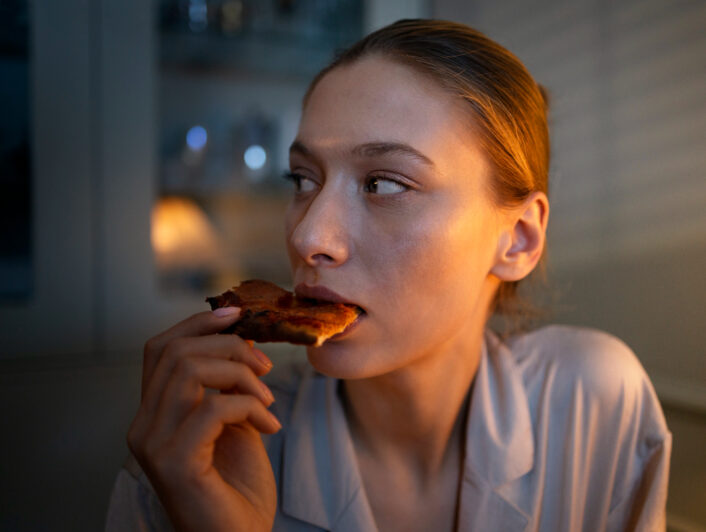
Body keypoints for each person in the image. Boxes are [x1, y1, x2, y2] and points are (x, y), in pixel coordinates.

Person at [106, 19, 671, 532]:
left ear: (518, 239)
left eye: (383, 184)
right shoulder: (195, 454)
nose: (308, 238)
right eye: (303, 179)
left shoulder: (594, 404)